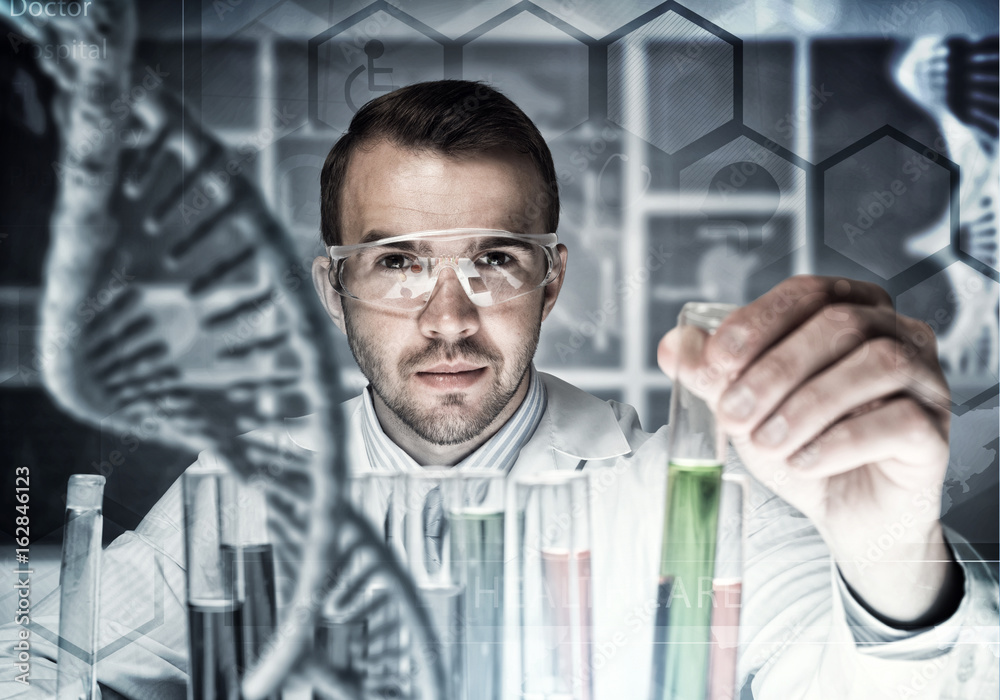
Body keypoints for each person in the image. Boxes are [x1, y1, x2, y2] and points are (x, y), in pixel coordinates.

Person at [3, 80, 996, 700]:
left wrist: (893, 565)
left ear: (550, 278)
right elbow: (42, 661)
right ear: (333, 283)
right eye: (396, 261)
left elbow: (876, 682)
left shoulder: (682, 490)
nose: (447, 319)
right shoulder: (251, 485)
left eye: (493, 259)